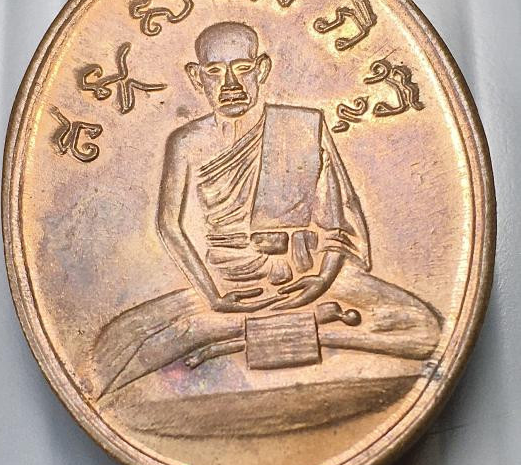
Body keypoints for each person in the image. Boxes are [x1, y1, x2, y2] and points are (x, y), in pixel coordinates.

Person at [92, 22, 442, 396]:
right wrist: (212, 297)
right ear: (197, 77)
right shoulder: (187, 142)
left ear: (261, 69)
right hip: (230, 284)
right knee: (120, 349)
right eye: (215, 71)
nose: (230, 83)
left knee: (421, 328)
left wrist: (322, 280)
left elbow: (336, 219)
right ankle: (301, 328)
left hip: (304, 278)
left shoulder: (302, 126)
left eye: (242, 68)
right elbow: (169, 226)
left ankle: (263, 337)